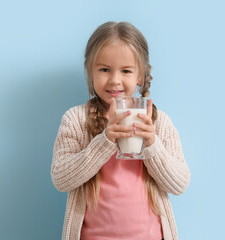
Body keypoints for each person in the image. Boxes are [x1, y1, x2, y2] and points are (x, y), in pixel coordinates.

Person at [51, 21, 191, 240]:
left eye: (126, 71)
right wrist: (104, 141)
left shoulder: (158, 122)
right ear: (90, 71)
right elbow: (61, 179)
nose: (114, 80)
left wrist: (153, 145)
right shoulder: (76, 120)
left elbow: (180, 183)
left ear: (141, 75)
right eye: (104, 69)